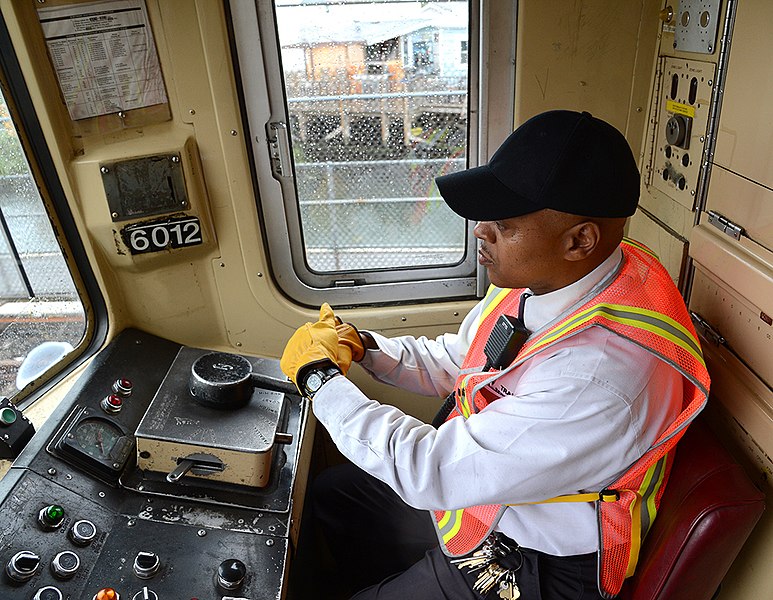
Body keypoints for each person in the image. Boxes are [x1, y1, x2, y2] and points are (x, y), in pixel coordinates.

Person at [280, 110, 710, 600]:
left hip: (536, 562)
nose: (480, 231)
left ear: (579, 240)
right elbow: (461, 361)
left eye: (502, 224)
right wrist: (364, 348)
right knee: (336, 497)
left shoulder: (598, 377)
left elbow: (431, 470)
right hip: (496, 496)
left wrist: (319, 382)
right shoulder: (551, 284)